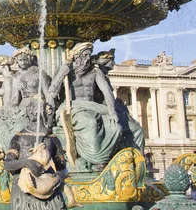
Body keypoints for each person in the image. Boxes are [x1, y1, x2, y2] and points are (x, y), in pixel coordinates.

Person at [50, 43, 144, 171]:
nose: (88, 58)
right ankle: (96, 160)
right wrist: (62, 73)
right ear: (77, 56)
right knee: (91, 123)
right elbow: (52, 93)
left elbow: (107, 92)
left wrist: (112, 112)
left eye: (89, 55)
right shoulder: (66, 71)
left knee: (115, 127)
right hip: (72, 106)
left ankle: (129, 163)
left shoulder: (95, 72)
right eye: (85, 55)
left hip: (92, 107)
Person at [0, 48, 51, 151]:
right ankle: (7, 158)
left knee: (14, 131)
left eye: (24, 59)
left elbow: (47, 94)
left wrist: (49, 114)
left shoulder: (39, 73)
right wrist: (9, 113)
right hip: (21, 110)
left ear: (29, 59)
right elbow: (14, 100)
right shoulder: (17, 77)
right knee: (6, 127)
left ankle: (12, 157)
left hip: (36, 107)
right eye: (20, 60)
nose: (22, 62)